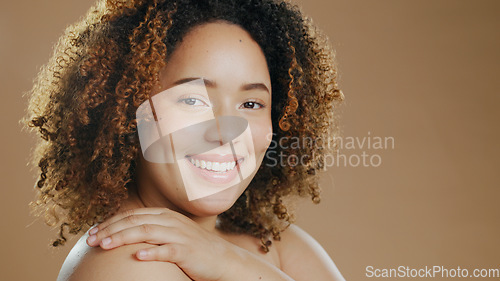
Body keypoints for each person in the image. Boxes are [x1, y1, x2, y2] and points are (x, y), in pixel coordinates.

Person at [23, 0, 345, 280]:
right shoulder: (130, 264)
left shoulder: (273, 245)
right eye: (192, 100)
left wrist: (233, 263)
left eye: (250, 104)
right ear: (126, 111)